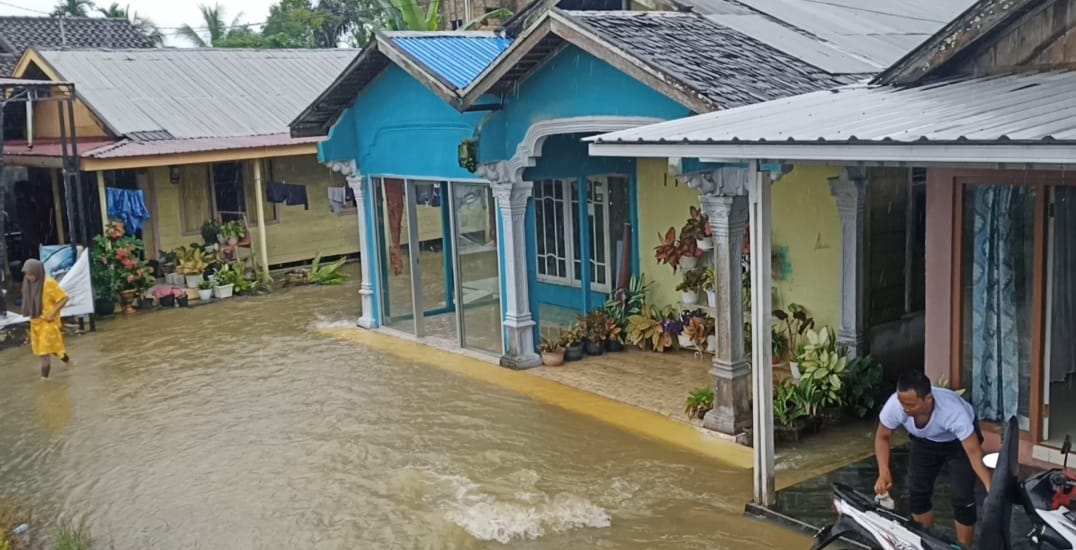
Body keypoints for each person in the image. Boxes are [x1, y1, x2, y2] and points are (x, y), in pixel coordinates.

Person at [874, 371, 993, 547]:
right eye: (902, 403)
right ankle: (925, 542)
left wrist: (992, 489)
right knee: (917, 493)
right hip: (924, 441)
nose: (905, 409)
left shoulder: (954, 413)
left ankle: (962, 546)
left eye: (911, 405)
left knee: (963, 497)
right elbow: (882, 437)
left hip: (958, 444)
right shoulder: (896, 405)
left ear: (928, 399)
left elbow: (974, 453)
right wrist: (884, 472)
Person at [22, 259, 72, 379]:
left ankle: (44, 381)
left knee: (44, 353)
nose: (29, 277)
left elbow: (64, 298)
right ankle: (69, 363)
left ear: (38, 272)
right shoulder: (27, 284)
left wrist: (53, 314)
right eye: (27, 274)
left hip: (48, 323)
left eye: (31, 274)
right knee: (52, 348)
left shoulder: (48, 283)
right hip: (35, 323)